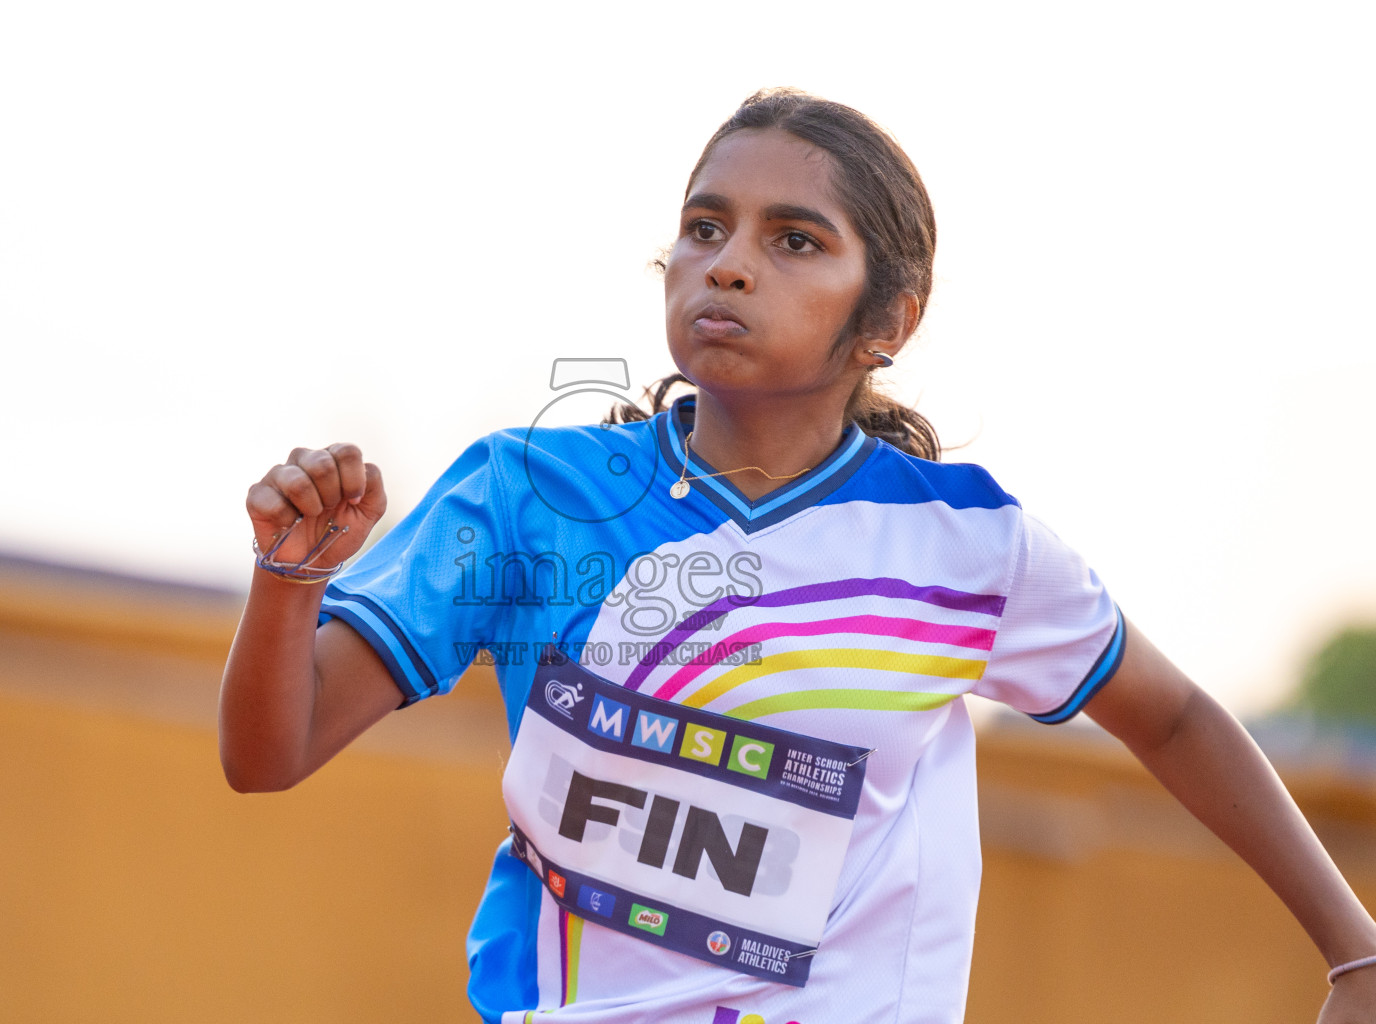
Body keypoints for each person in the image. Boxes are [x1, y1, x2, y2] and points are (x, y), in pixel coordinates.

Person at [218, 89, 1376, 1023]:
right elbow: (269, 753)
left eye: (796, 241)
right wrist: (289, 579)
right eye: (706, 227)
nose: (728, 264)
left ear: (887, 321)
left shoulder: (966, 546)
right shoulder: (526, 496)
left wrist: (1354, 951)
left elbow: (1170, 715)